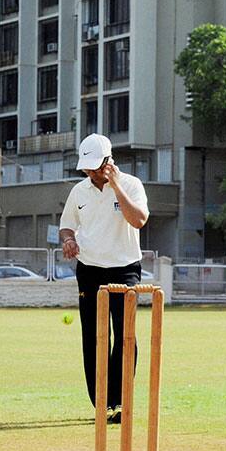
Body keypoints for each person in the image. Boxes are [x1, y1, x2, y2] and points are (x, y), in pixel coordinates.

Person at [59, 134, 149, 424]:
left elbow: (139, 220)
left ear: (110, 162)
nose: (91, 173)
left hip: (124, 268)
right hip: (89, 270)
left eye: (96, 167)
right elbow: (66, 226)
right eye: (87, 168)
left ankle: (120, 401)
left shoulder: (132, 184)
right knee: (94, 338)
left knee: (126, 336)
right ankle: (101, 403)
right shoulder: (79, 191)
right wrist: (68, 241)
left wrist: (117, 186)